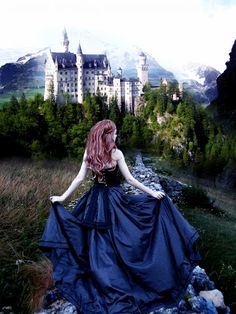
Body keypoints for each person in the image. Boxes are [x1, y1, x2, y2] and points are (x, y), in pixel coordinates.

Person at [39, 119, 201, 314]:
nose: (116, 135)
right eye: (114, 132)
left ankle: (101, 271)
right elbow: (130, 179)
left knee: (97, 239)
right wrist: (152, 193)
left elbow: (80, 178)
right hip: (114, 200)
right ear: (107, 134)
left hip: (95, 200)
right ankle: (114, 273)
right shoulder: (116, 153)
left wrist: (62, 198)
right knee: (119, 236)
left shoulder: (90, 152)